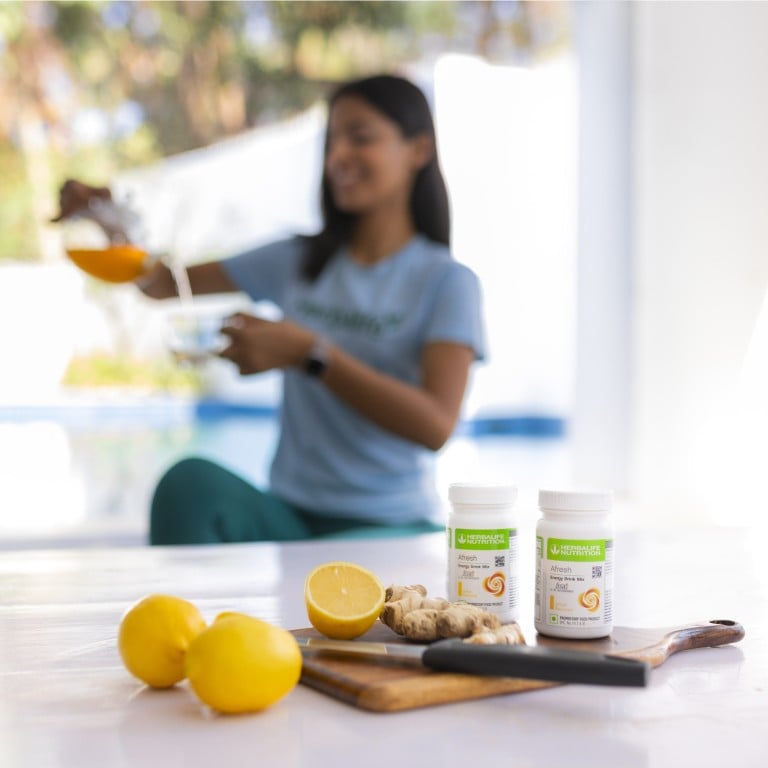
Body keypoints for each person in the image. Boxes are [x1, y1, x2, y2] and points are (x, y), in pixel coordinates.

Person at [56, 74, 486, 545]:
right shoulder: (298, 260)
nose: (338, 156)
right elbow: (163, 284)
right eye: (332, 141)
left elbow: (436, 425)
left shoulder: (448, 283)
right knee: (189, 485)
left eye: (359, 137)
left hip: (388, 528)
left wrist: (311, 355)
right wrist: (114, 223)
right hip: (289, 518)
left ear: (418, 149)